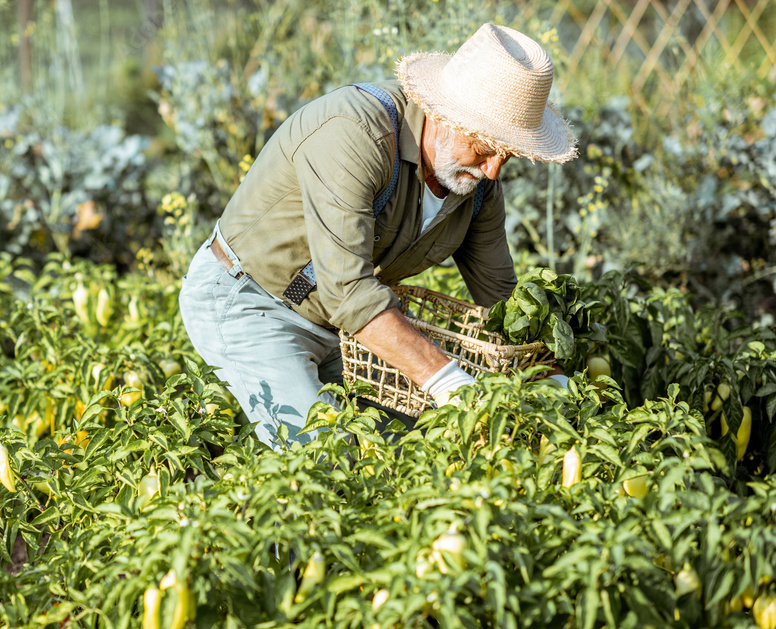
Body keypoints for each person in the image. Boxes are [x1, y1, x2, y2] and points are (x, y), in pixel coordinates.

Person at [179, 23, 578, 449]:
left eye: (509, 155)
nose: (493, 170)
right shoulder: (355, 132)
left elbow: (501, 298)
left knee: (410, 455)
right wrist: (447, 381)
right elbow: (349, 292)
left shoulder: (476, 187)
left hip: (345, 329)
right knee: (327, 460)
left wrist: (549, 376)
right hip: (252, 300)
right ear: (444, 114)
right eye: (484, 148)